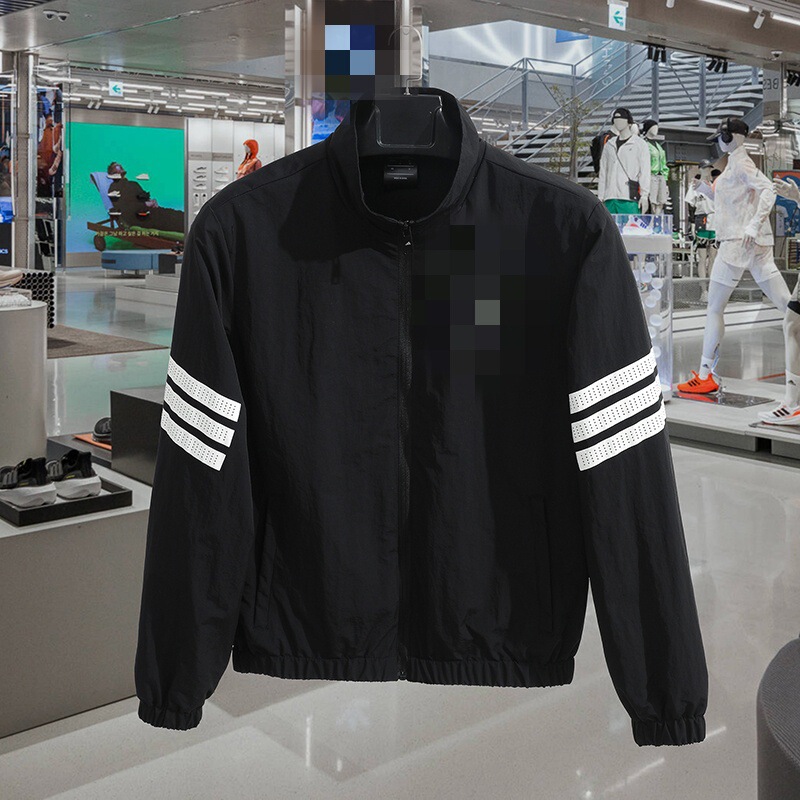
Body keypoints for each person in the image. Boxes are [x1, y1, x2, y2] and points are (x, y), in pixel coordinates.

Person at [677, 118, 790, 394]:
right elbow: (731, 203)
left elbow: (768, 190)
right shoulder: (734, 164)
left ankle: (706, 375)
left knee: (715, 308)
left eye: (722, 137)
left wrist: (753, 224)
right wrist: (705, 190)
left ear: (732, 137)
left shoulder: (741, 163)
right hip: (749, 243)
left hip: (737, 244)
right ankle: (706, 374)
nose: (719, 142)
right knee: (788, 307)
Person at [106, 161, 184, 233]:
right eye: (115, 171)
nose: (119, 171)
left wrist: (152, 202)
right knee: (173, 220)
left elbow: (144, 197)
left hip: (150, 211)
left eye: (120, 168)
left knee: (175, 213)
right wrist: (145, 204)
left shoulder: (133, 184)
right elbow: (125, 209)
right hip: (138, 218)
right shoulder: (113, 189)